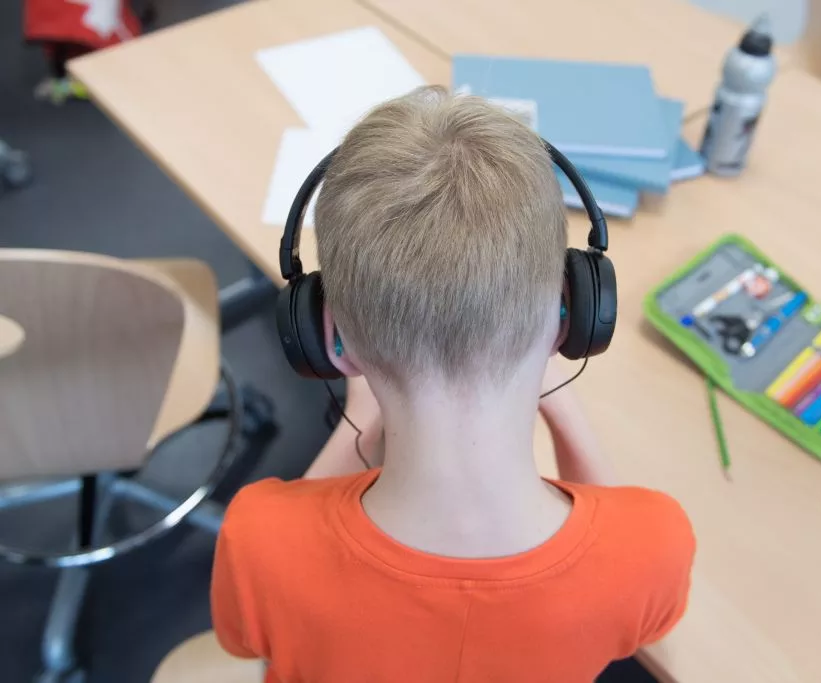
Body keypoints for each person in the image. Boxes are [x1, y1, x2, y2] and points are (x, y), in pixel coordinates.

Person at [211, 86, 696, 683]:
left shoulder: (259, 537)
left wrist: (353, 426)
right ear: (573, 311)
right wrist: (565, 414)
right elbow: (617, 547)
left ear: (327, 335)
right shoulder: (654, 543)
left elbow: (250, 641)